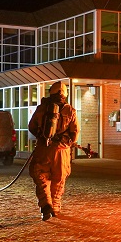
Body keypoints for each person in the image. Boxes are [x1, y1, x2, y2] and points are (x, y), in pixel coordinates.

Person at [27, 81, 78, 220]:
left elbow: (32, 126)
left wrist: (43, 137)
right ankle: (54, 207)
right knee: (59, 179)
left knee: (41, 176)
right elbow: (75, 132)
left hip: (43, 149)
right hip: (62, 152)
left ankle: (46, 206)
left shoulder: (42, 108)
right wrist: (65, 142)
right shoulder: (70, 110)